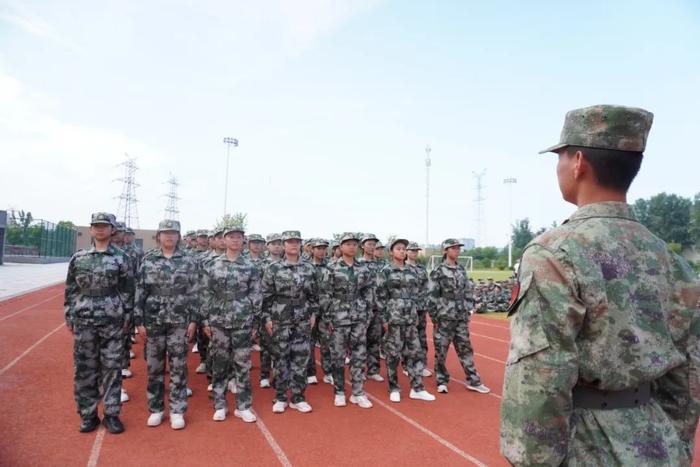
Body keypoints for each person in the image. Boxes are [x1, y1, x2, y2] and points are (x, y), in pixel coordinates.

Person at [500, 105, 700, 465]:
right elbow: (685, 377)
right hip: (656, 439)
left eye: (559, 157)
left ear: (578, 162)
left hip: (585, 444)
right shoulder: (674, 263)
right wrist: (673, 443)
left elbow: (540, 377)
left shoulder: (553, 253)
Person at [64, 212, 134, 434]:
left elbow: (128, 291)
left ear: (112, 230)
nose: (100, 229)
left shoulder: (122, 258)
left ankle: (112, 414)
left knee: (112, 369)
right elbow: (71, 289)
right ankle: (88, 414)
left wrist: (127, 318)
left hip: (112, 321)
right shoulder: (79, 258)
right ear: (91, 229)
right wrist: (70, 314)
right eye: (96, 226)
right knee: (85, 369)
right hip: (84, 320)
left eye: (105, 226)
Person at [134, 220, 198, 430]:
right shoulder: (149, 259)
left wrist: (194, 320)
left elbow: (195, 292)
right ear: (158, 236)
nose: (169, 237)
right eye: (165, 233)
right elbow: (140, 291)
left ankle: (177, 410)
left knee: (179, 366)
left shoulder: (188, 260)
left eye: (173, 233)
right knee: (154, 366)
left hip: (180, 320)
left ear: (179, 236)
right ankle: (156, 409)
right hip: (154, 319)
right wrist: (139, 320)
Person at [200, 225, 261, 423]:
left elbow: (255, 293)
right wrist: (205, 320)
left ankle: (243, 406)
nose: (235, 240)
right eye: (231, 237)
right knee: (219, 363)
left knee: (243, 363)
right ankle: (219, 404)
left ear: (243, 241)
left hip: (243, 320)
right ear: (224, 240)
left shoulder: (251, 266)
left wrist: (254, 321)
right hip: (218, 320)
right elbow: (205, 293)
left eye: (239, 237)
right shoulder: (212, 264)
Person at [261, 230, 319, 414]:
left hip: (302, 319)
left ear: (301, 244)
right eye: (289, 242)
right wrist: (267, 318)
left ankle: (298, 397)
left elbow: (314, 296)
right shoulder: (273, 268)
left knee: (301, 359)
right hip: (280, 319)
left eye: (296, 241)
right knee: (281, 359)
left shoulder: (309, 268)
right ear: (284, 245)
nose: (293, 245)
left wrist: (313, 315)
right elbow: (265, 296)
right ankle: (280, 396)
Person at [375, 239, 435, 403]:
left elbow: (416, 295)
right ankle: (394, 387)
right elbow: (379, 297)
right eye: (398, 249)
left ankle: (417, 388)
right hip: (394, 319)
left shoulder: (412, 271)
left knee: (415, 353)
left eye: (404, 249)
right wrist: (384, 319)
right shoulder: (385, 271)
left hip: (410, 318)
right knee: (393, 355)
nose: (402, 251)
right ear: (391, 252)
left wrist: (415, 314)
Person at [319, 232, 374, 409]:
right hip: (338, 317)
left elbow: (368, 292)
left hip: (359, 317)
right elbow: (325, 294)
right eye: (348, 244)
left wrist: (367, 314)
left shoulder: (363, 268)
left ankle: (358, 392)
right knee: (338, 357)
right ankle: (340, 391)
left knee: (359, 355)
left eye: (354, 244)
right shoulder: (331, 268)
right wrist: (329, 317)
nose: (351, 247)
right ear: (340, 247)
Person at [428, 239, 489, 395]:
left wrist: (468, 309)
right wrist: (435, 317)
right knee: (441, 351)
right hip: (444, 317)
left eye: (458, 248)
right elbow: (432, 296)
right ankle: (441, 381)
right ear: (445, 250)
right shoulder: (438, 271)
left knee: (465, 349)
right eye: (453, 248)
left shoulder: (461, 270)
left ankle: (473, 380)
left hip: (460, 317)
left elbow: (468, 291)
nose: (457, 250)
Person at [257, 233, 283, 389]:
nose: (277, 246)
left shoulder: (288, 263)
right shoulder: (261, 264)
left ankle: (279, 375)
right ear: (268, 246)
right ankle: (264, 375)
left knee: (282, 346)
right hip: (267, 308)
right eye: (273, 244)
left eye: (279, 243)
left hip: (285, 310)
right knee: (267, 345)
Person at [358, 233, 385, 382]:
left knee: (375, 340)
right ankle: (359, 370)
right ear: (363, 246)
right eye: (369, 243)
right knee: (360, 341)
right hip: (362, 309)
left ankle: (373, 370)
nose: (372, 246)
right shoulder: (358, 264)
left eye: (374, 244)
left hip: (377, 308)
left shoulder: (381, 265)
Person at [306, 238, 333, 385]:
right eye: (318, 248)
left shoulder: (331, 267)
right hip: (309, 312)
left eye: (324, 248)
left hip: (325, 311)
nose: (322, 251)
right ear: (312, 250)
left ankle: (328, 371)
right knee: (309, 343)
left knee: (326, 342)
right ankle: (310, 372)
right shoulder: (306, 267)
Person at [406, 242, 432, 377]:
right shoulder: (403, 268)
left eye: (416, 251)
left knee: (421, 337)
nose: (414, 253)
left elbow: (427, 287)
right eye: (412, 250)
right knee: (408, 338)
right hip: (408, 309)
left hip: (421, 307)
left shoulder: (422, 269)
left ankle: (422, 364)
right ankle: (407, 364)